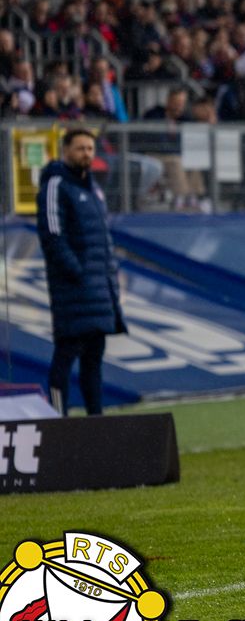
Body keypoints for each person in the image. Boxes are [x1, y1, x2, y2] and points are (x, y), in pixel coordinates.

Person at [35, 129, 128, 415]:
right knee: (65, 357)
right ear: (65, 150)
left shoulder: (93, 189)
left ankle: (95, 421)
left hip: (99, 289)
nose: (87, 154)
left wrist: (110, 276)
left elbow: (103, 240)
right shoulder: (56, 184)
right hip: (73, 290)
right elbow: (52, 236)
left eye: (90, 148)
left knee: (93, 361)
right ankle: (58, 419)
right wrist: (76, 272)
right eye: (80, 148)